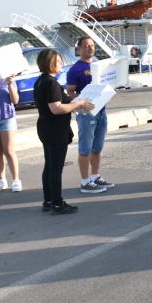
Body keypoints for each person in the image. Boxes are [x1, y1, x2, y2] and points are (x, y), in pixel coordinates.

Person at [34, 49, 93, 215]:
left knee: (49, 165)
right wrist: (78, 103)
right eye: (59, 61)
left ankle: (48, 200)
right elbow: (56, 108)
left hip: (45, 127)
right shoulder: (51, 83)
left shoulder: (40, 81)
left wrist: (74, 103)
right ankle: (58, 203)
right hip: (55, 130)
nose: (61, 64)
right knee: (56, 168)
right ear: (50, 63)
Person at [66, 37, 114, 194]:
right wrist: (81, 103)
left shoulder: (99, 66)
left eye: (92, 45)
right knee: (85, 148)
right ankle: (85, 181)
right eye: (86, 46)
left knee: (97, 147)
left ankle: (95, 176)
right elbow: (70, 91)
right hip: (86, 114)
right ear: (79, 49)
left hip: (101, 111)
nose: (90, 48)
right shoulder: (75, 69)